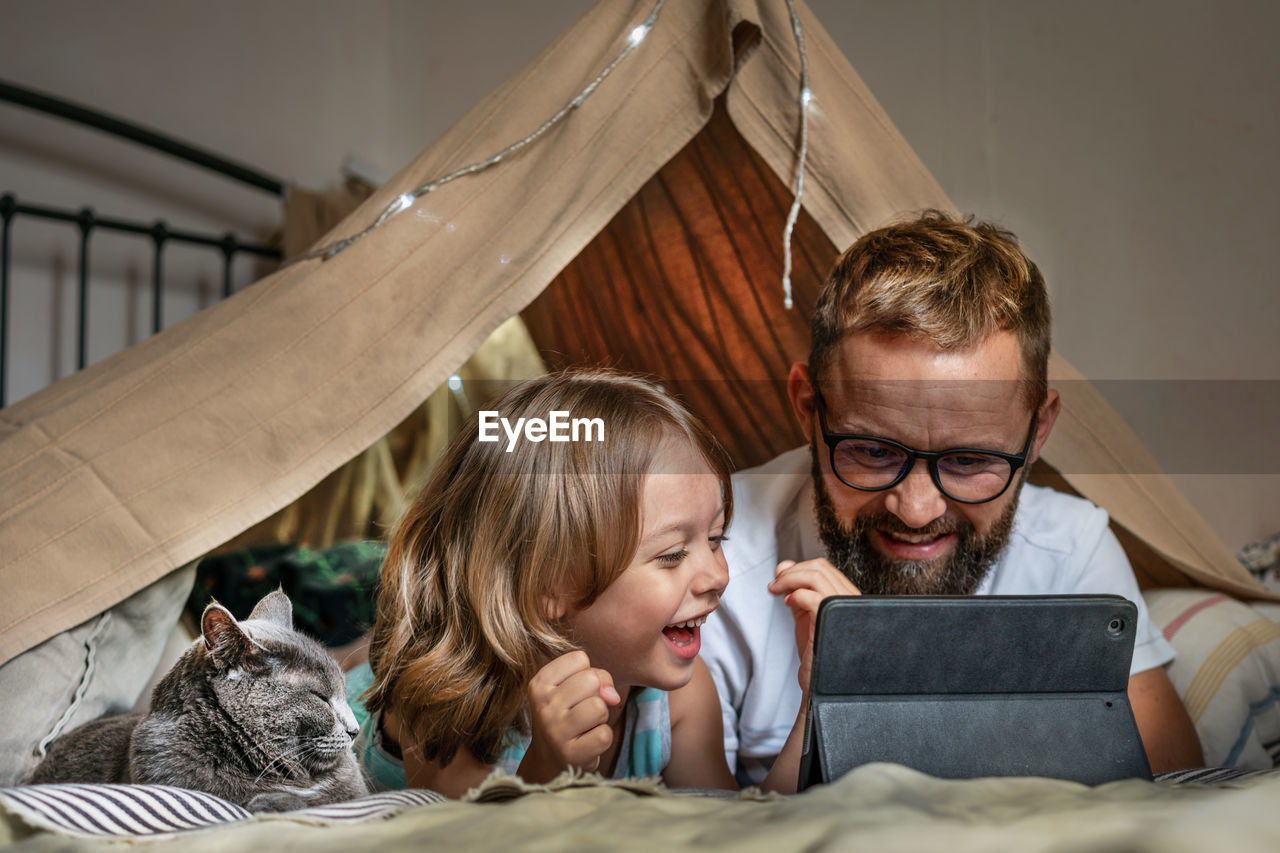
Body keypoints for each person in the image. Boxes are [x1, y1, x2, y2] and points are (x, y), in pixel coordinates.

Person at [700, 211, 1204, 786]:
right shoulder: (710, 561)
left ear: (1037, 433)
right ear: (807, 408)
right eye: (871, 451)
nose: (915, 510)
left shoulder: (1069, 557)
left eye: (969, 461)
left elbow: (1180, 808)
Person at [346, 370, 811, 797]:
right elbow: (469, 841)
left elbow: (739, 835)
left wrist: (817, 700)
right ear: (549, 584)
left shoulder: (679, 701)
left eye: (716, 538)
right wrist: (545, 770)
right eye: (671, 555)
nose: (719, 576)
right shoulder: (443, 697)